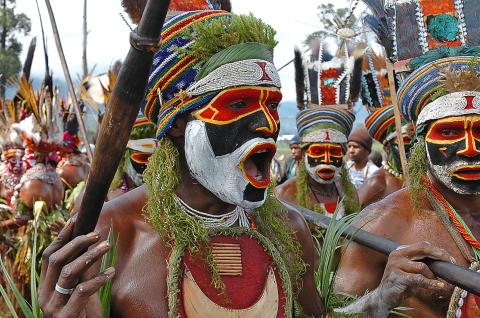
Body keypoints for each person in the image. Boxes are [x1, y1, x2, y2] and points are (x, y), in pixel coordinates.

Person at [38, 9, 325, 317]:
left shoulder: (288, 228)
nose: (268, 124)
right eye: (238, 104)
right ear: (175, 124)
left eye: (271, 105)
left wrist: (375, 301)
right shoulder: (110, 232)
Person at [335, 0, 480, 314]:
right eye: (451, 132)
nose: (470, 148)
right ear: (421, 140)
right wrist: (382, 297)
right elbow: (331, 313)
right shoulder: (382, 224)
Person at [276, 106, 359, 218]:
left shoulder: (349, 191)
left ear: (343, 155)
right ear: (305, 154)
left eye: (334, 151)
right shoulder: (284, 194)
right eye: (318, 151)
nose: (327, 160)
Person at [357, 106, 414, 207]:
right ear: (387, 149)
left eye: (415, 142)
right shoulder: (376, 184)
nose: (411, 150)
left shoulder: (421, 178)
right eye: (405, 143)